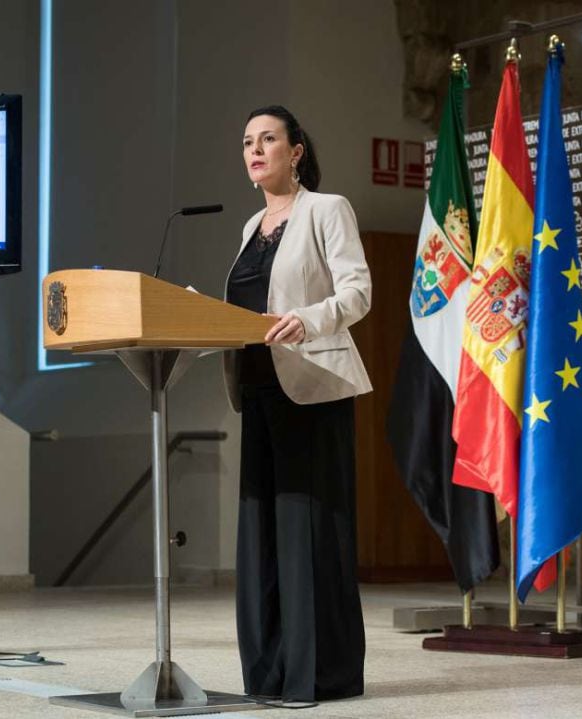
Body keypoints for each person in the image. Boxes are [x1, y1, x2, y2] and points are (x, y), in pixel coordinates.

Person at [224, 105, 372, 705]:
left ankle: (315, 677)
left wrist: (305, 321)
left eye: (267, 140)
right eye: (247, 142)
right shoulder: (249, 226)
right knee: (260, 539)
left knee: (305, 534)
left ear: (296, 150)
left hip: (311, 388)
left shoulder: (326, 209)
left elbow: (357, 292)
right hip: (259, 390)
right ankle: (269, 675)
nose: (255, 151)